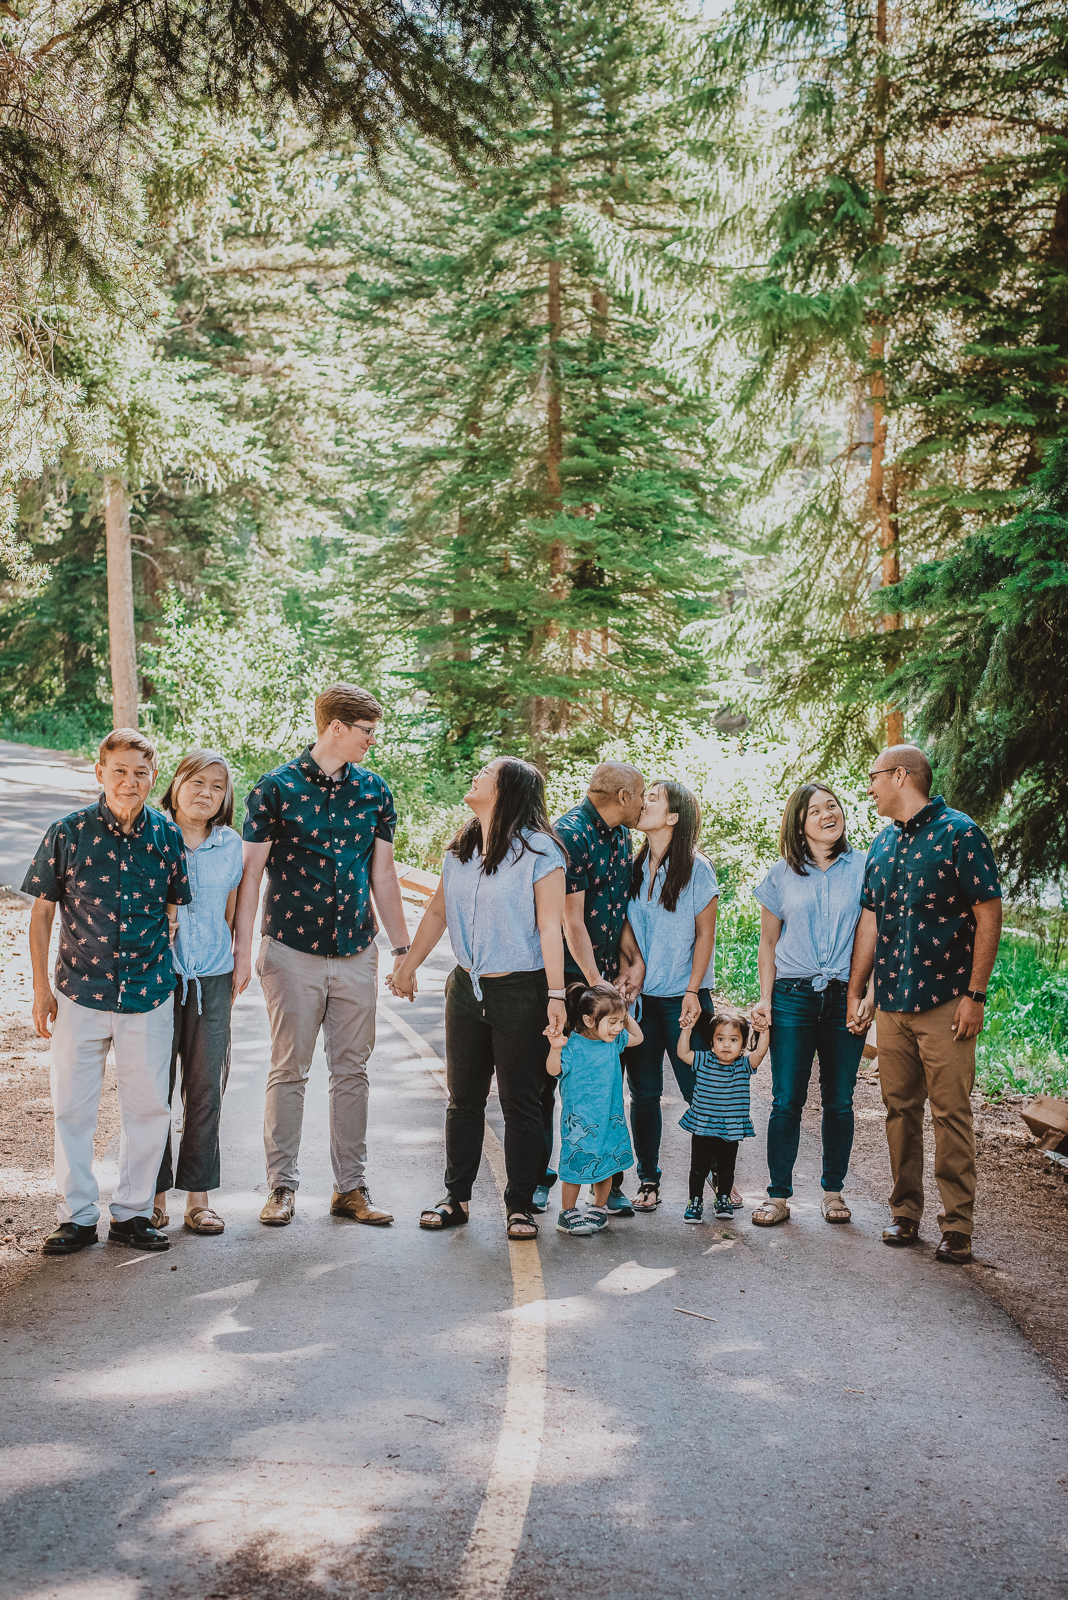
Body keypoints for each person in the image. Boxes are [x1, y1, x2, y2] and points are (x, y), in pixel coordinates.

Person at [233, 684, 410, 1229]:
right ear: (336, 727)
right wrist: (244, 952)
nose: (371, 741)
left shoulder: (375, 792)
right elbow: (251, 875)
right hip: (291, 950)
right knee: (290, 1069)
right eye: (366, 731)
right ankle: (281, 1187)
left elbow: (383, 875)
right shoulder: (274, 789)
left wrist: (402, 951)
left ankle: (350, 1189)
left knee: (352, 1071)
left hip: (357, 950)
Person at [23, 729, 191, 1256]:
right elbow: (43, 914)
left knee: (148, 1110)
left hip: (148, 994)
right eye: (119, 770)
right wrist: (41, 990)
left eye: (140, 773)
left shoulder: (166, 837)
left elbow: (174, 910)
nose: (129, 781)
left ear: (152, 779)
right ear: (100, 773)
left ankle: (134, 1215)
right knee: (72, 1108)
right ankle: (75, 1216)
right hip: (79, 991)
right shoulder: (67, 833)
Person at [388, 757, 567, 1242]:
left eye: (487, 772)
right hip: (466, 988)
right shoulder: (462, 850)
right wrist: (407, 967)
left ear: (508, 790)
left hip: (520, 991)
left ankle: (520, 1205)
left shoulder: (541, 853)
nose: (477, 775)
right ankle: (456, 1198)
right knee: (462, 1099)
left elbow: (552, 927)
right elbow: (438, 912)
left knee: (520, 1103)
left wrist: (556, 994)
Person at [846, 744, 1003, 1265]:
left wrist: (974, 994)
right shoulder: (881, 843)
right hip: (892, 1001)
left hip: (946, 999)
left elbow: (988, 912)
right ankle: (905, 1212)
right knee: (899, 1110)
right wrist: (858, 988)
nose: (868, 788)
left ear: (899, 775)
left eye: (873, 777)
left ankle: (957, 1227)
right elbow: (871, 921)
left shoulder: (960, 833)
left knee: (951, 1113)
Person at [748, 782, 870, 1227]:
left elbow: (875, 936)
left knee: (839, 1101)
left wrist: (868, 994)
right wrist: (766, 999)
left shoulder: (864, 867)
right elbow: (767, 943)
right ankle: (778, 1196)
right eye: (814, 810)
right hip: (792, 997)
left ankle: (833, 1193)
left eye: (832, 806)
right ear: (799, 823)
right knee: (786, 1101)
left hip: (845, 997)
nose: (826, 815)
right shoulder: (781, 874)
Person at [537, 760, 646, 1217]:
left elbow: (614, 910)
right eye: (640, 794)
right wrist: (601, 986)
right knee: (560, 1081)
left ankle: (607, 1178)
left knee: (606, 1080)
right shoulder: (571, 833)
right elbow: (571, 920)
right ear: (623, 797)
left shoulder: (621, 834)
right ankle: (547, 1176)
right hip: (564, 978)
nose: (643, 802)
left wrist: (633, 961)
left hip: (601, 976)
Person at [151, 750, 243, 1236]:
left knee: (206, 1091)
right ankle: (154, 1196)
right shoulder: (152, 832)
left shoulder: (232, 845)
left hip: (211, 978)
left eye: (216, 785)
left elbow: (230, 914)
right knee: (154, 1092)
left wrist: (234, 966)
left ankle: (199, 1199)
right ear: (176, 782)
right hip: (158, 981)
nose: (206, 793)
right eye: (196, 781)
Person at [621, 778, 719, 1211]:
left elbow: (705, 934)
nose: (644, 803)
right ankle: (648, 1180)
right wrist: (631, 965)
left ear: (673, 817)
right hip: (641, 1002)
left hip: (686, 999)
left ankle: (719, 1178)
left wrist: (694, 990)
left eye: (653, 799)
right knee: (643, 1095)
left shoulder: (698, 868)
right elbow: (624, 924)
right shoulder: (633, 865)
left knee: (701, 1091)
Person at [545, 981, 642, 1236]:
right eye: (612, 1022)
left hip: (609, 1117)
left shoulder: (614, 1040)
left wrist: (625, 1013)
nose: (618, 1027)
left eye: (620, 1022)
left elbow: (638, 1037)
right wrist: (555, 1048)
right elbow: (553, 1070)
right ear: (589, 1020)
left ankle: (599, 1208)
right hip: (580, 1120)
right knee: (575, 1165)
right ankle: (567, 1213)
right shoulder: (573, 1045)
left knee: (607, 1161)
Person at [677, 1006, 768, 1222]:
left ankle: (723, 1199)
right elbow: (682, 1053)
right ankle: (695, 1201)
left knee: (727, 1169)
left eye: (734, 1040)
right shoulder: (704, 1060)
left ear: (743, 1044)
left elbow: (761, 1052)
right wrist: (687, 1029)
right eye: (720, 1039)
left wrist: (763, 1030)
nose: (726, 1045)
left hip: (731, 1127)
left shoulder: (744, 1065)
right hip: (703, 1126)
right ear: (712, 1042)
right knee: (698, 1168)